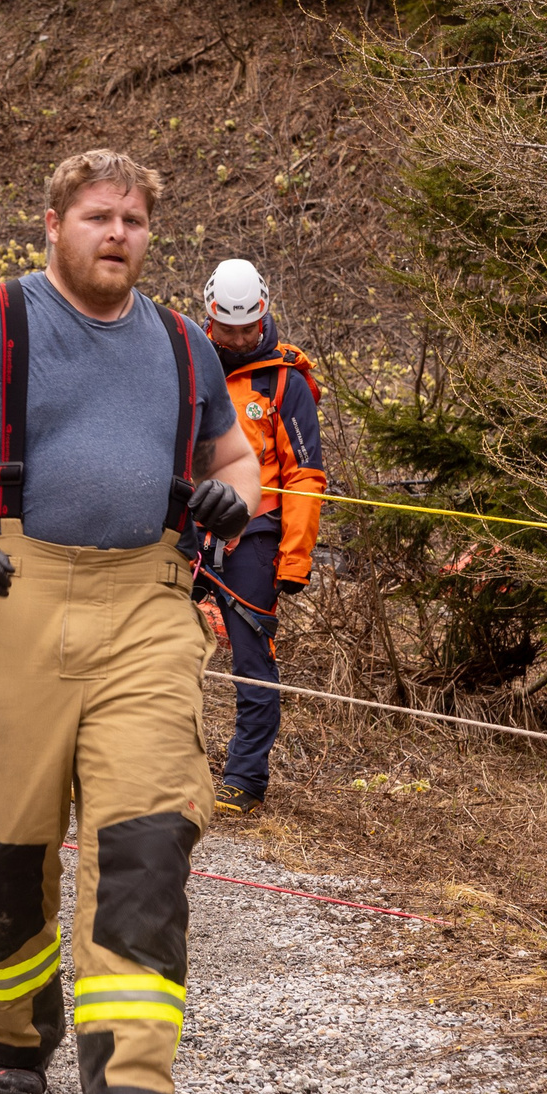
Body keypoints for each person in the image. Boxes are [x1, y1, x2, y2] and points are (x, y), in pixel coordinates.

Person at [0, 149, 258, 1094]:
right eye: (98, 216)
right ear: (51, 223)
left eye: (134, 221)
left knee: (146, 846)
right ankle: (15, 1032)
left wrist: (238, 494)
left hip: (146, 604)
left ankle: (131, 1090)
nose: (118, 235)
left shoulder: (185, 345)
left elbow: (234, 459)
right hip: (10, 595)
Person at [201, 258, 324, 815]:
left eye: (246, 329)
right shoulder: (190, 360)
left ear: (263, 315)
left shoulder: (285, 380)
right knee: (149, 644)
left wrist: (295, 558)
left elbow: (304, 474)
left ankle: (245, 779)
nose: (237, 338)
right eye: (227, 329)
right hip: (187, 526)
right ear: (210, 318)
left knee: (253, 661)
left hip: (254, 536)